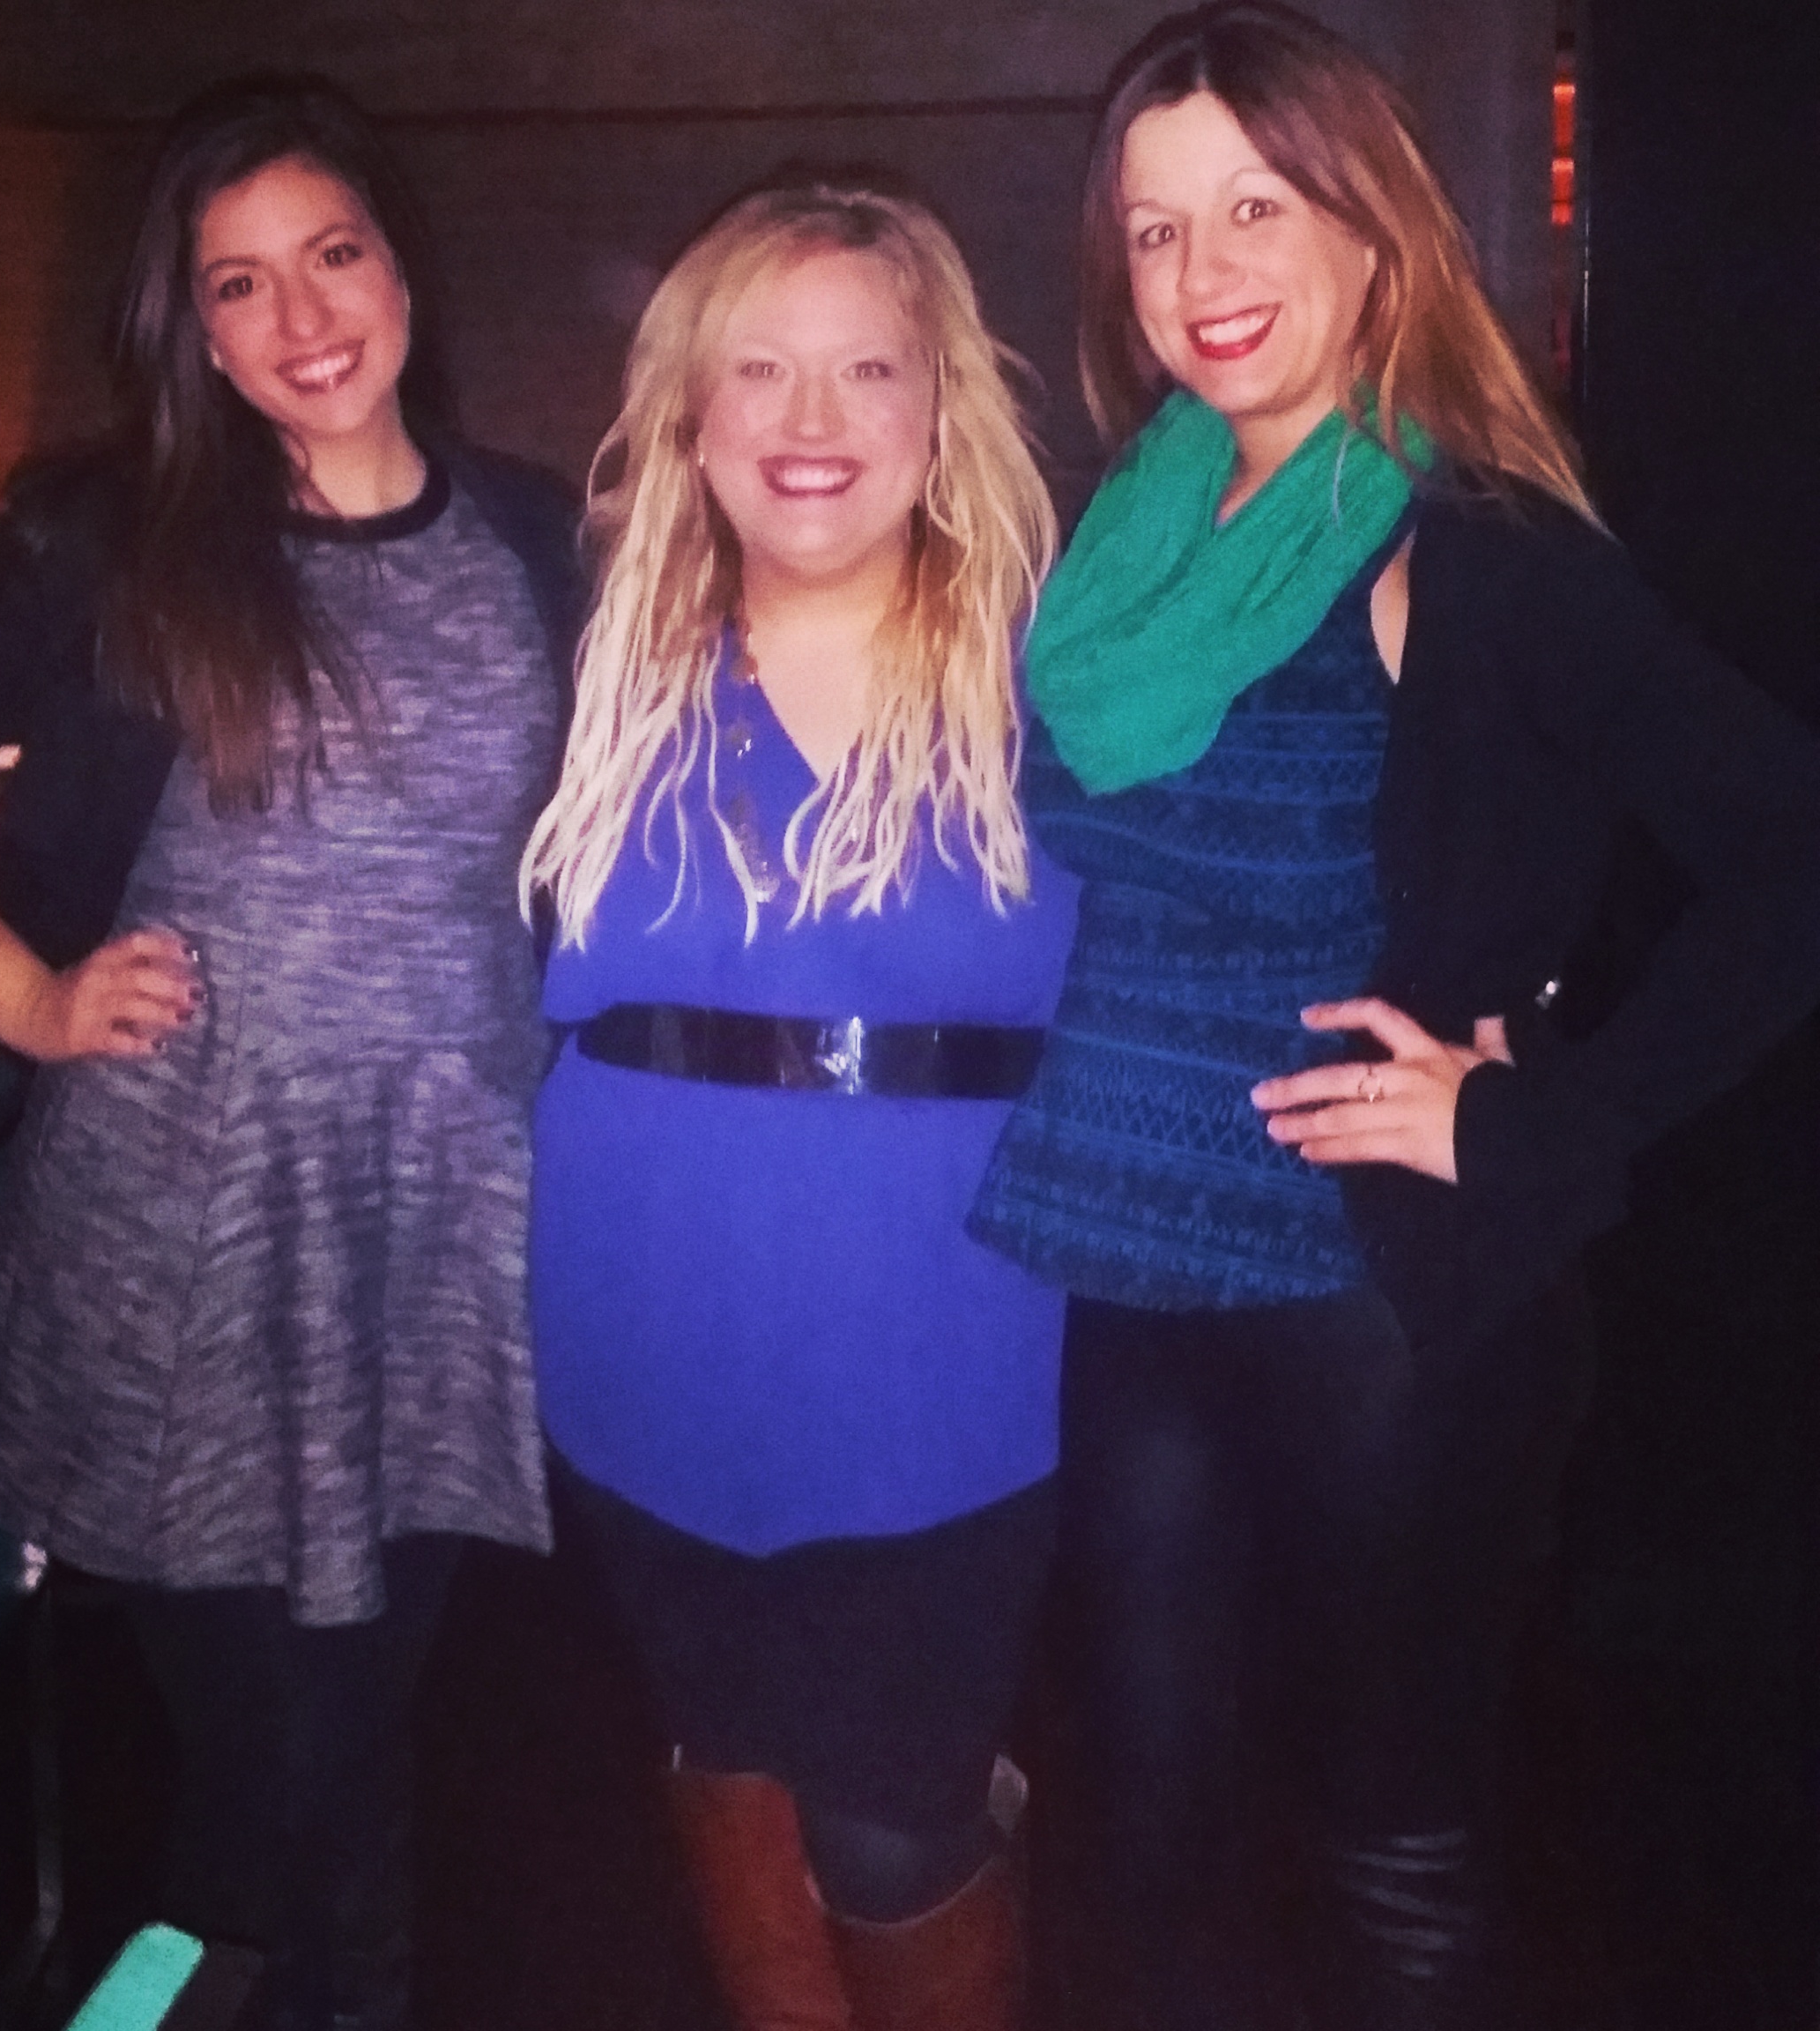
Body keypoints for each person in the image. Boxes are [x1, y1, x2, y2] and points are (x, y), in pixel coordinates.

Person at [965, 6, 1820, 2027]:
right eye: (1156, 227)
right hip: (1126, 1263)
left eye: (1257, 206)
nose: (1202, 270)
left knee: (1393, 1835)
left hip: (1375, 1306)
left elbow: (1786, 855)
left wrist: (1537, 1115)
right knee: (1148, 1822)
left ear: (1375, 229)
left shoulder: (1479, 545)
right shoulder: (1127, 537)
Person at [0, 76, 583, 2031]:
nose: (303, 318)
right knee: (272, 1792)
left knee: (360, 1776)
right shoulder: (113, 540)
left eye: (334, 254)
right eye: (240, 285)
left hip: (439, 1238)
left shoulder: (538, 533)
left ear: (401, 267)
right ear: (194, 328)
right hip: (184, 1249)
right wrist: (27, 998)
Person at [520, 181, 1075, 2031]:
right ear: (691, 415)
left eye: (866, 370)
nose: (812, 419)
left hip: (941, 1344)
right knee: (726, 1747)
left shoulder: (1064, 679)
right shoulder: (599, 660)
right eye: (758, 369)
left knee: (895, 1819)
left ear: (939, 409)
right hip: (639, 1322)